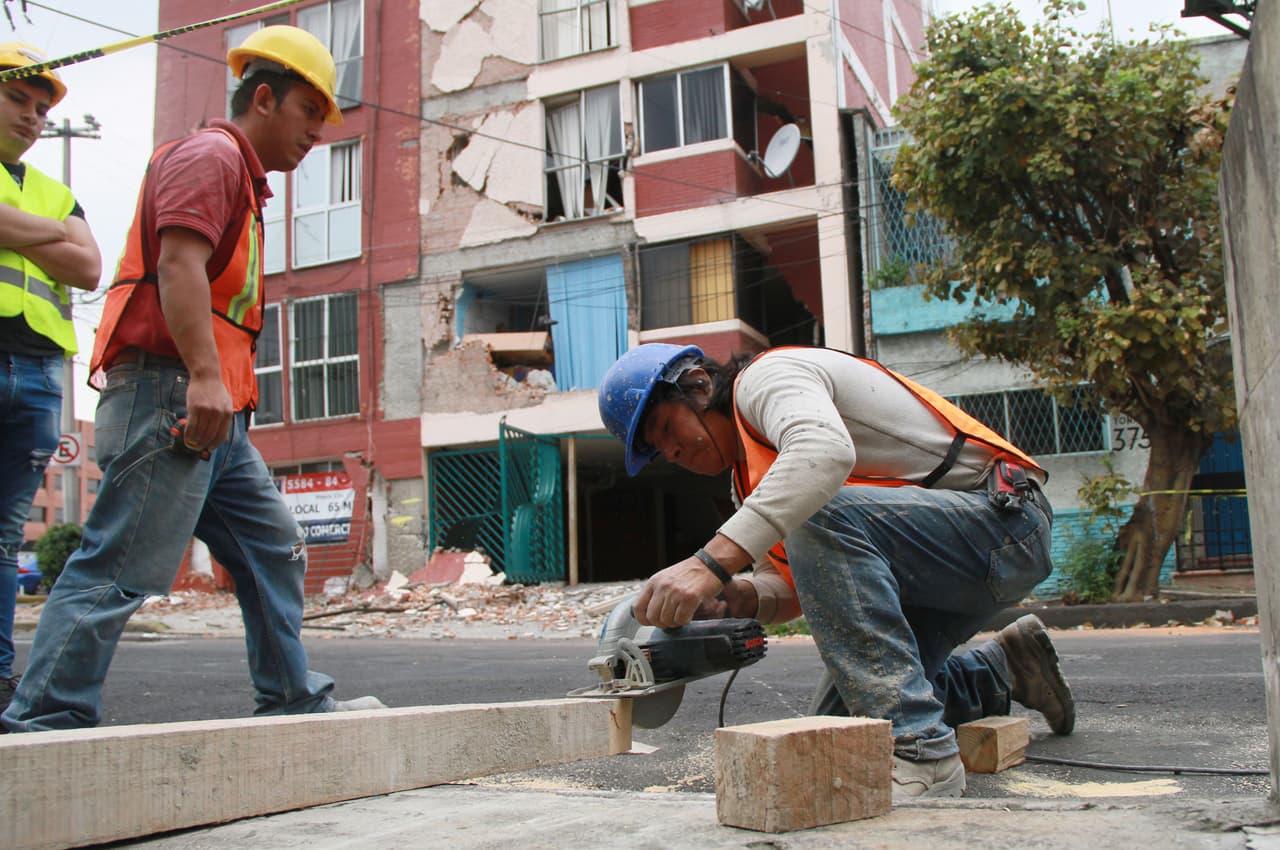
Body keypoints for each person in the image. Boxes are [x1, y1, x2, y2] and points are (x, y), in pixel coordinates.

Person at [2, 27, 383, 732]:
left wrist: (219, 389)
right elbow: (178, 264)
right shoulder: (212, 156)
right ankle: (41, 723)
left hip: (215, 409)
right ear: (263, 97)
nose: (316, 133)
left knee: (271, 550)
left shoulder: (241, 176)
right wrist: (205, 378)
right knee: (121, 561)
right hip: (172, 394)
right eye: (307, 111)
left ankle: (291, 697)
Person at [597, 343, 1075, 799]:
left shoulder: (766, 379)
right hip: (936, 567)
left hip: (1005, 524)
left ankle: (922, 755)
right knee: (848, 727)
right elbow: (797, 588)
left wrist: (706, 565)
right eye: (658, 450)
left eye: (664, 428)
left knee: (818, 513)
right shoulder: (750, 485)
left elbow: (823, 454)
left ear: (699, 385)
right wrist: (733, 594)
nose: (671, 452)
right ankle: (1003, 670)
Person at [0, 44, 102, 715]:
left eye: (43, 109)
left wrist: (16, 229)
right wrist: (51, 236)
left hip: (37, 371)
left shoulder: (54, 188)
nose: (34, 118)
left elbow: (90, 267)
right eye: (19, 100)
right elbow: (66, 248)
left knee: (6, 536)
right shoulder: (56, 206)